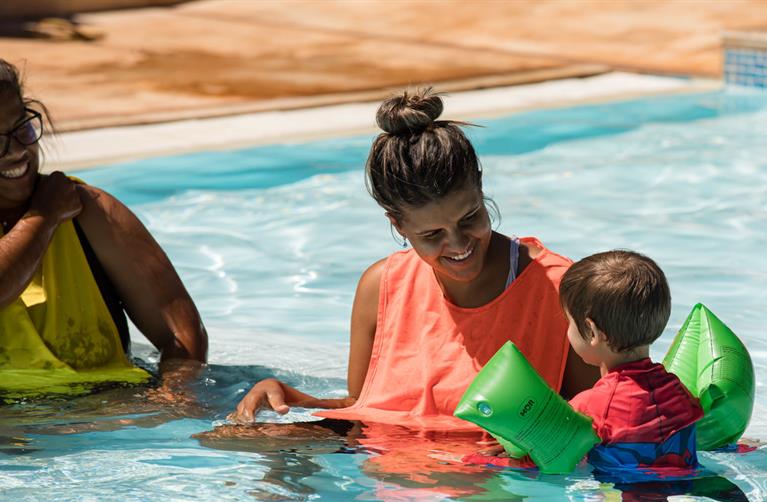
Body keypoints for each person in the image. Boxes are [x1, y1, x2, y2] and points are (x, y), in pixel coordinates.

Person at [228, 87, 596, 426]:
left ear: (481, 188)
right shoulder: (381, 288)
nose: (457, 244)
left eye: (470, 218)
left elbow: (599, 421)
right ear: (398, 224)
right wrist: (292, 399)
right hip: (401, 482)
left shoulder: (561, 288)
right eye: (431, 235)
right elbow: (366, 410)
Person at [0, 58, 207, 397]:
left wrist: (174, 398)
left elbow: (182, 333)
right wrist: (44, 217)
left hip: (104, 412)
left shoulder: (88, 210)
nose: (19, 151)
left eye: (21, 128)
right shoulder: (56, 208)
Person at [560, 250, 703, 473]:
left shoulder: (589, 406)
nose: (567, 331)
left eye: (568, 322)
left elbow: (552, 452)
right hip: (682, 483)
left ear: (591, 331)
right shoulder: (677, 390)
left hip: (619, 498)